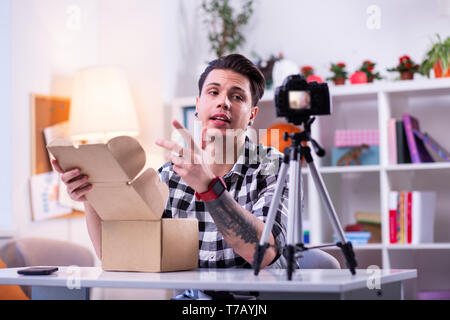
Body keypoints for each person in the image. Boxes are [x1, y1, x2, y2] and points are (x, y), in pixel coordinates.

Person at [52, 53, 293, 300]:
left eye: (237, 96)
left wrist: (209, 188)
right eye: (213, 92)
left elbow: (263, 253)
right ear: (198, 105)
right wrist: (91, 195)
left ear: (252, 114)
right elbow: (118, 253)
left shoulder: (274, 166)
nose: (223, 102)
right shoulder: (170, 175)